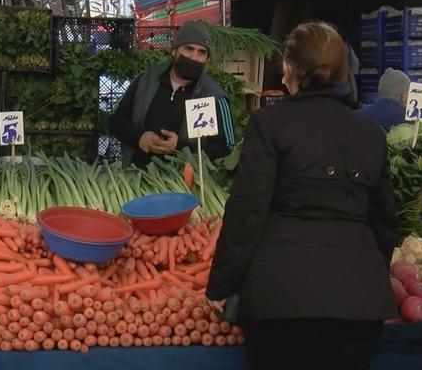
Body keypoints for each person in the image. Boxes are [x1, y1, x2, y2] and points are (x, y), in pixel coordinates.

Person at [206, 22, 397, 370]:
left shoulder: (270, 123)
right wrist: (368, 273)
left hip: (280, 299)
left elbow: (248, 211)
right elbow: (385, 220)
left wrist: (222, 284)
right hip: (358, 303)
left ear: (287, 69)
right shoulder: (370, 132)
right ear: (343, 73)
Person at [109, 21, 235, 168]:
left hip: (184, 184)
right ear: (174, 51)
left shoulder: (214, 97)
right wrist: (139, 137)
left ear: (207, 59)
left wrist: (179, 147)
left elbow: (227, 148)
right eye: (189, 49)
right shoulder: (145, 81)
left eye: (202, 52)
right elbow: (115, 121)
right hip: (137, 177)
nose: (194, 57)